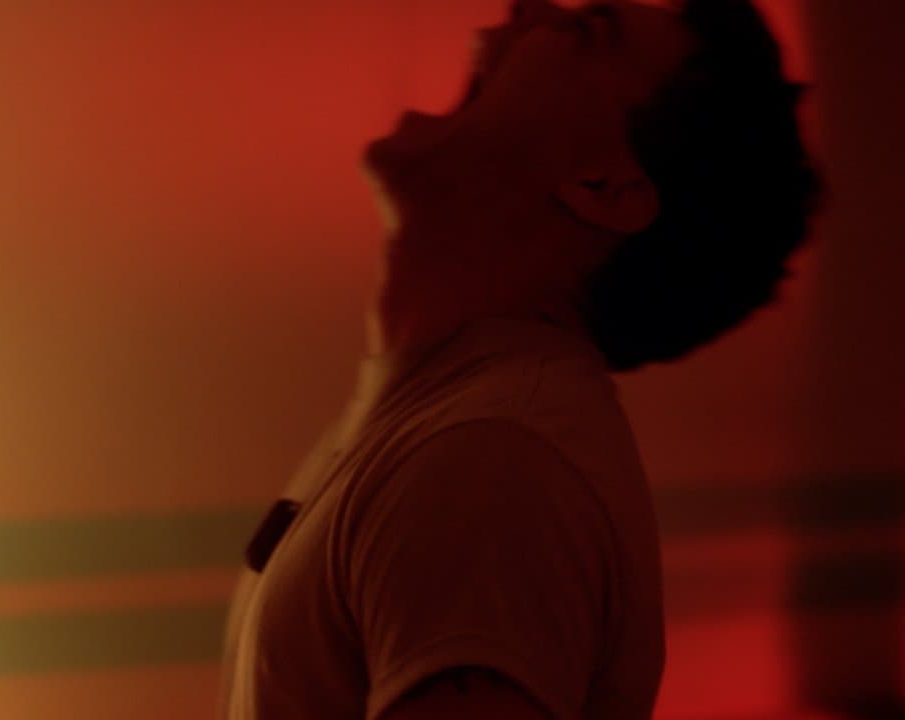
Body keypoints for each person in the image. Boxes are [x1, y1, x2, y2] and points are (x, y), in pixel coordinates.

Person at [217, 0, 822, 718]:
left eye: (588, 31)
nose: (527, 9)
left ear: (604, 187)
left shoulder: (491, 462)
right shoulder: (452, 425)